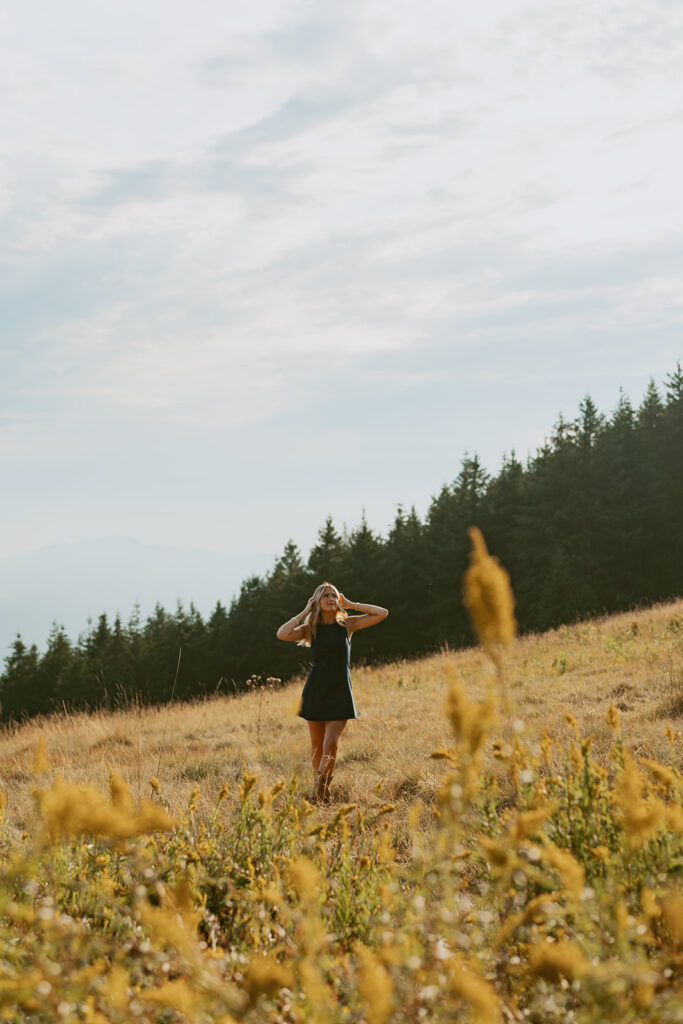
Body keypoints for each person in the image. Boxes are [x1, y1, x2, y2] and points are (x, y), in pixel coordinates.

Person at [276, 582, 388, 802]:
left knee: (331, 742)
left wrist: (351, 604)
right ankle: (322, 794)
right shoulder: (311, 629)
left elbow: (382, 613)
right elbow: (282, 634)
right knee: (317, 745)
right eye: (325, 596)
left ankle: (321, 787)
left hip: (340, 691)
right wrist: (305, 612)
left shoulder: (347, 625)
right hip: (315, 690)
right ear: (317, 601)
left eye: (333, 596)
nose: (330, 599)